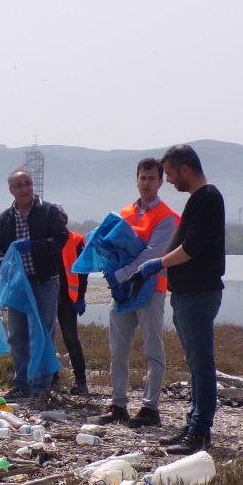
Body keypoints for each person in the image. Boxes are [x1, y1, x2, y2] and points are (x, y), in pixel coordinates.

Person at [129, 144, 225, 454]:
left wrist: (157, 263)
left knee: (201, 363)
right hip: (186, 293)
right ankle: (192, 423)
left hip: (199, 292)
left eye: (169, 173)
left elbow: (192, 247)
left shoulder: (208, 198)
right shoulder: (198, 200)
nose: (168, 180)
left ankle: (200, 431)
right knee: (194, 362)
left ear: (185, 170)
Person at [97, 158, 179, 428]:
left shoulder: (166, 217)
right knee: (117, 351)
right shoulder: (125, 213)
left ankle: (150, 408)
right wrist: (110, 271)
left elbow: (153, 252)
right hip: (122, 293)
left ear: (161, 182)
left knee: (153, 350)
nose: (146, 183)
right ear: (137, 179)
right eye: (142, 178)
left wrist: (123, 273)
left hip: (151, 289)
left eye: (152, 179)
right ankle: (118, 404)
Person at [0, 169, 68, 404]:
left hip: (44, 281)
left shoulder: (48, 211)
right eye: (19, 185)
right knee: (18, 335)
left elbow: (60, 240)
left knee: (43, 334)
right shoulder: (6, 218)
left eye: (28, 184)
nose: (25, 189)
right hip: (18, 286)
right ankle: (21, 383)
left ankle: (41, 385)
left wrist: (33, 246)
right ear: (11, 190)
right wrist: (1, 262)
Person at [51, 206, 88, 395]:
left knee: (71, 339)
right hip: (48, 295)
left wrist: (81, 296)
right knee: (47, 339)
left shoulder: (76, 240)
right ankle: (51, 380)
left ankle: (81, 382)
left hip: (68, 297)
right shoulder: (46, 240)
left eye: (60, 218)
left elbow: (83, 271)